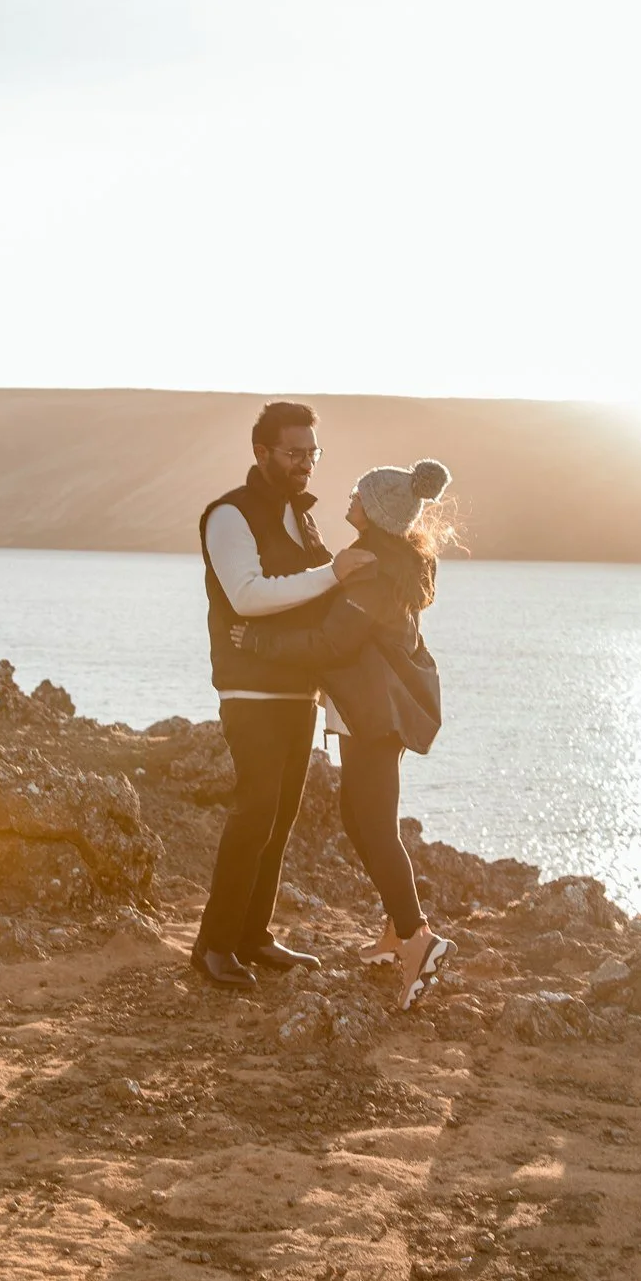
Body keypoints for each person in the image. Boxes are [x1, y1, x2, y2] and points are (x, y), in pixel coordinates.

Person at [232, 459, 456, 1010]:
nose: (349, 498)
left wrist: (258, 644)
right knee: (359, 823)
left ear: (376, 512)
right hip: (368, 713)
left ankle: (420, 940)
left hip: (376, 718)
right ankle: (396, 932)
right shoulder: (376, 562)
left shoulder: (376, 574)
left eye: (359, 494)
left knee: (375, 828)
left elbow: (331, 644)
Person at [192, 401, 377, 990]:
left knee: (280, 821)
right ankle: (213, 947)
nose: (305, 464)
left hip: (298, 689)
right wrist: (333, 575)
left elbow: (315, 597)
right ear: (261, 452)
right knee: (254, 813)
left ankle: (253, 937)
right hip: (248, 687)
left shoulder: (302, 516)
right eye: (294, 453)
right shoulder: (229, 515)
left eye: (312, 454)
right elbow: (246, 595)